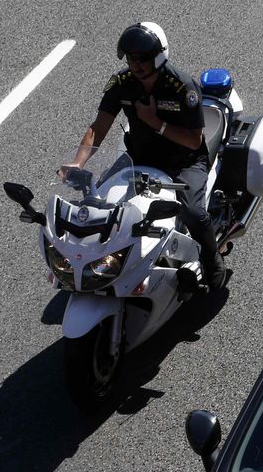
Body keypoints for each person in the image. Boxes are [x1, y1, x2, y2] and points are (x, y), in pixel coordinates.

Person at [69, 22, 225, 290]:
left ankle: (212, 260)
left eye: (142, 59)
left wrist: (154, 122)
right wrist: (77, 162)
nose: (136, 65)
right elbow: (99, 126)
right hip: (140, 160)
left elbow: (194, 139)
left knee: (193, 212)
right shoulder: (122, 83)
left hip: (184, 162)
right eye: (131, 59)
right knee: (106, 207)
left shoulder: (181, 87)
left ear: (159, 56)